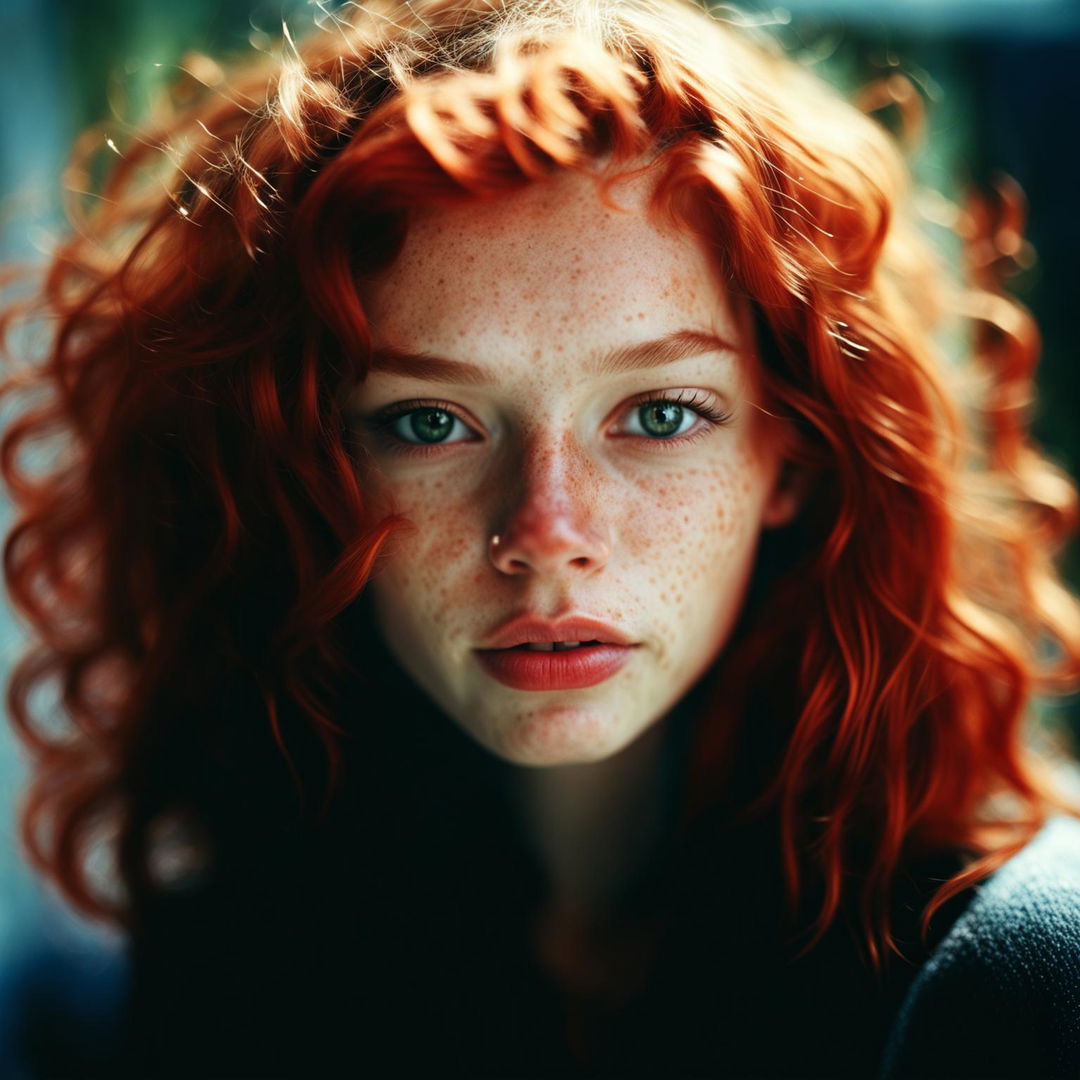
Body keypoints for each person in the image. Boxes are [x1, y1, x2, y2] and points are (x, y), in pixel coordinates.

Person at [2, 0, 1080, 1075]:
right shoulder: (221, 973)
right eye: (429, 423)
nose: (545, 533)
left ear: (790, 457)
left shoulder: (1022, 977)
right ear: (302, 472)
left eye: (660, 414)